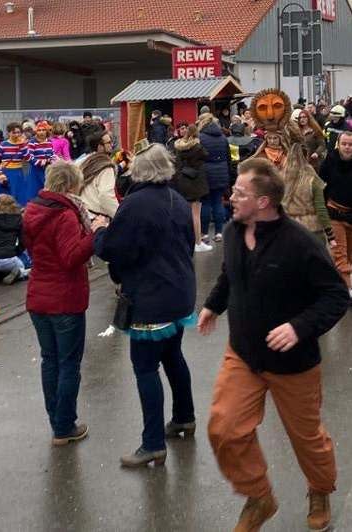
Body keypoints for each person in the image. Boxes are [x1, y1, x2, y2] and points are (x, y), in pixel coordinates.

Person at [199, 157, 348, 532]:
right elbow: (229, 274)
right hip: (244, 353)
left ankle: (320, 489)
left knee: (307, 439)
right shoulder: (234, 231)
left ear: (263, 201)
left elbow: (336, 296)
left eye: (239, 192)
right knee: (224, 428)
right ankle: (259, 496)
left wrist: (300, 327)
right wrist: (213, 306)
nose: (231, 196)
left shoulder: (299, 243)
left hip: (293, 363)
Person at [94, 143, 196, 467]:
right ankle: (184, 417)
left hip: (152, 295)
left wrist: (98, 232)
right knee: (173, 357)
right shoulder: (177, 199)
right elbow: (189, 242)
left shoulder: (136, 204)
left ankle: (152, 443)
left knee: (145, 368)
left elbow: (114, 249)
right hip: (180, 290)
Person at [22, 161, 99, 446]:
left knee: (49, 361)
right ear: (70, 186)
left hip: (38, 296)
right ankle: (64, 426)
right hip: (65, 298)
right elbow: (71, 257)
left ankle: (56, 421)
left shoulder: (33, 209)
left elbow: (34, 250)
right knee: (68, 364)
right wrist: (95, 234)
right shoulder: (66, 215)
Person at [320, 130, 352, 296]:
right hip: (334, 212)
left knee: (349, 256)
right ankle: (347, 292)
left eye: (350, 144)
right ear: (339, 144)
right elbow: (321, 183)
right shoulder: (331, 160)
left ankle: (340, 285)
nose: (347, 147)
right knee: (340, 255)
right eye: (344, 144)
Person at [173, 125, 211, 251]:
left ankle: (187, 241)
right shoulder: (198, 147)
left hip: (182, 181)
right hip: (195, 182)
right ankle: (198, 242)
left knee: (186, 213)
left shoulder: (178, 147)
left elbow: (177, 165)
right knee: (196, 214)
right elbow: (206, 156)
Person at [198, 113, 232, 243]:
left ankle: (204, 234)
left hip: (206, 174)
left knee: (205, 203)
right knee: (218, 202)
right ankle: (219, 233)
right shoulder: (223, 138)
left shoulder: (200, 137)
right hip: (221, 173)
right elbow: (228, 158)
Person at [77, 130, 119, 219]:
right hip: (98, 218)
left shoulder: (83, 161)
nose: (111, 145)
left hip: (83, 214)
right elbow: (105, 195)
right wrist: (119, 215)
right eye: (108, 143)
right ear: (100, 146)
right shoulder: (106, 167)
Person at [0, 122, 27, 205]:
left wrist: (24, 146)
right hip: (5, 174)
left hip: (19, 174)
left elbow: (29, 159)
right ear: (9, 133)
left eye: (18, 132)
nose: (17, 134)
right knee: (3, 202)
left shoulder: (23, 145)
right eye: (14, 132)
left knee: (19, 201)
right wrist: (0, 174)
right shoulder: (3, 145)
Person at [25, 121, 55, 203]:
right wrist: (41, 162)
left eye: (43, 130)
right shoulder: (32, 142)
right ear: (36, 131)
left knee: (48, 192)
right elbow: (29, 157)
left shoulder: (49, 141)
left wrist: (52, 160)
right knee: (34, 192)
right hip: (36, 171)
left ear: (47, 131)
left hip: (48, 170)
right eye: (39, 130)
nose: (41, 132)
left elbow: (52, 154)